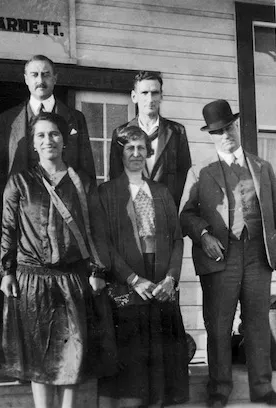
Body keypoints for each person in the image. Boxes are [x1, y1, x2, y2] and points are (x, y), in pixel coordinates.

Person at [179, 100, 276, 407]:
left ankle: (262, 387)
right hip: (219, 258)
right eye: (218, 131)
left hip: (258, 254)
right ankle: (218, 389)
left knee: (257, 321)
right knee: (218, 324)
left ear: (237, 127)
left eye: (228, 127)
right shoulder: (200, 172)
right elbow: (185, 215)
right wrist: (203, 235)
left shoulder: (261, 167)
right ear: (210, 136)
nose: (225, 135)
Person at [0, 112, 111, 408]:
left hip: (71, 279)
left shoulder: (82, 182)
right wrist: (7, 271)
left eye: (54, 134)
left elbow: (97, 231)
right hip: (31, 279)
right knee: (39, 356)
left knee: (72, 354)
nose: (48, 140)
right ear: (33, 144)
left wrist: (98, 270)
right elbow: (9, 229)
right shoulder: (20, 182)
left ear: (64, 140)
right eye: (41, 135)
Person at [97, 126, 190, 407]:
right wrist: (133, 279)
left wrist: (171, 279)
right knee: (132, 364)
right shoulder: (107, 193)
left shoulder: (161, 192)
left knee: (162, 360)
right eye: (130, 148)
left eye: (141, 148)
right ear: (120, 153)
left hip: (161, 282)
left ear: (148, 152)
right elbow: (103, 244)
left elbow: (176, 239)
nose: (136, 154)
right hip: (128, 282)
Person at [0, 54, 96, 272]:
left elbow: (86, 168)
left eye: (46, 74)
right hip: (23, 215)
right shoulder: (7, 120)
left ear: (55, 78)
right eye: (34, 75)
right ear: (26, 79)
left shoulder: (75, 117)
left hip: (65, 215)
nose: (40, 80)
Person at [109, 71, 191, 206]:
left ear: (161, 96)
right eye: (144, 93)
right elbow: (115, 178)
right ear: (134, 96)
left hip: (167, 212)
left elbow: (185, 179)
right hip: (133, 212)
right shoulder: (120, 134)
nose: (150, 99)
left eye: (155, 93)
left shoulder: (176, 132)